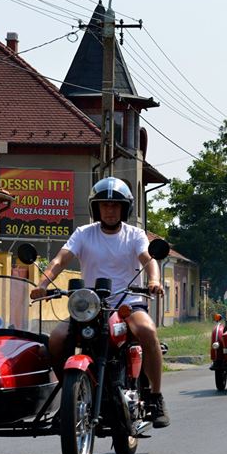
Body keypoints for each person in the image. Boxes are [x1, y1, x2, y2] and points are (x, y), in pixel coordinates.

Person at [29, 177, 170, 428]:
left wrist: (154, 280)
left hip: (128, 303)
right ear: (96, 208)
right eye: (105, 205)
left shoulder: (134, 234)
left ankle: (155, 397)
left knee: (147, 331)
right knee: (56, 340)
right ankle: (71, 397)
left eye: (116, 205)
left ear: (125, 208)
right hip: (91, 306)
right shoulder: (84, 234)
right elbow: (60, 260)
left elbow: (149, 259)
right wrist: (42, 284)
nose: (110, 210)